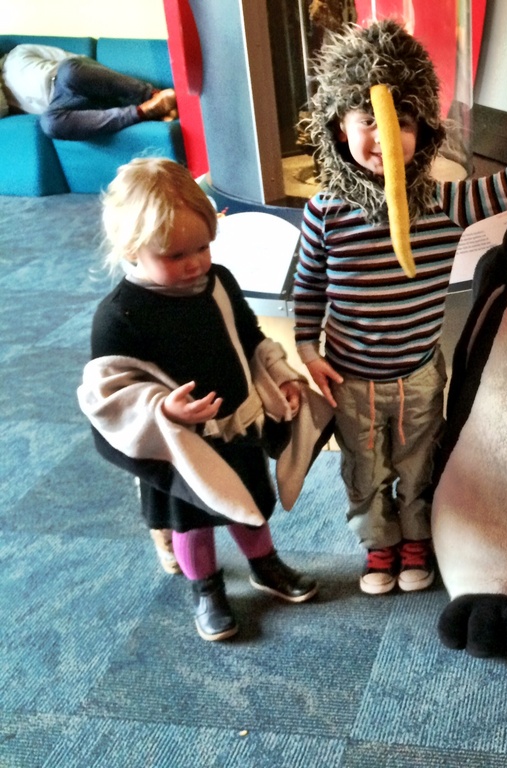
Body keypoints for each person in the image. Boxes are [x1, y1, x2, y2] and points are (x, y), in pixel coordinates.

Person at [293, 19, 507, 596]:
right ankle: (378, 543)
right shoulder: (324, 212)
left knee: (420, 463)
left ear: (423, 132)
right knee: (364, 469)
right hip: (351, 378)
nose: (382, 136)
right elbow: (308, 288)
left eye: (400, 123)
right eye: (366, 121)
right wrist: (306, 346)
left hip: (419, 374)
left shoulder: (444, 204)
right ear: (337, 128)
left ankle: (415, 537)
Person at [78, 158, 326, 642]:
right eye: (175, 255)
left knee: (249, 504)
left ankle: (264, 563)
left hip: (236, 426)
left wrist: (279, 375)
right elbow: (110, 394)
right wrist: (163, 409)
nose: (195, 263)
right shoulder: (119, 315)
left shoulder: (220, 282)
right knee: (191, 522)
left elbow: (250, 338)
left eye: (203, 247)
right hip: (179, 446)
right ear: (131, 248)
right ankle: (207, 588)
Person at [0, 43, 176, 140]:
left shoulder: (18, 53)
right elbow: (2, 109)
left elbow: (75, 60)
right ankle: (145, 112)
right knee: (49, 124)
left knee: (69, 71)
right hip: (63, 107)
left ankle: (153, 95)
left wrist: (91, 78)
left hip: (74, 81)